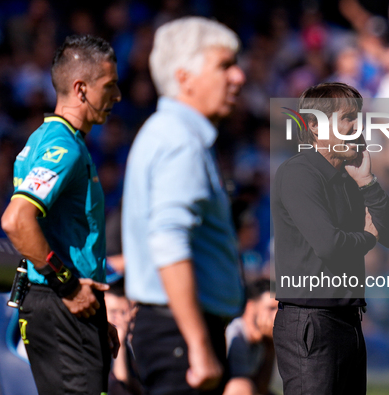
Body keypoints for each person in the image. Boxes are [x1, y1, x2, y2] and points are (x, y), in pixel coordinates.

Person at [122, 17, 245, 394]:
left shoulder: (170, 133)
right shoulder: (180, 141)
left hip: (172, 331)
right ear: (185, 77)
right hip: (178, 335)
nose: (238, 77)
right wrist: (197, 344)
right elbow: (169, 241)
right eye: (224, 65)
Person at [0, 34, 122, 394]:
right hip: (59, 305)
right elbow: (16, 219)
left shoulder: (43, 137)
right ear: (81, 88)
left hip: (65, 308)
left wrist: (95, 314)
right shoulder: (62, 146)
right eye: (110, 86)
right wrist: (68, 286)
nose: (117, 97)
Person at [271, 82, 389, 394]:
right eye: (347, 118)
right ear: (315, 126)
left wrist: (369, 183)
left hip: (347, 320)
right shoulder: (298, 173)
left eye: (357, 117)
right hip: (312, 322)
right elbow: (330, 245)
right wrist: (368, 238)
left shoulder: (350, 176)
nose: (357, 126)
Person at [224, 279, 278, 395]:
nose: (277, 316)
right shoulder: (236, 334)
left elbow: (262, 388)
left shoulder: (260, 341)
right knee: (242, 387)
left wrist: (270, 346)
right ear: (251, 307)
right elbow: (251, 388)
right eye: (271, 308)